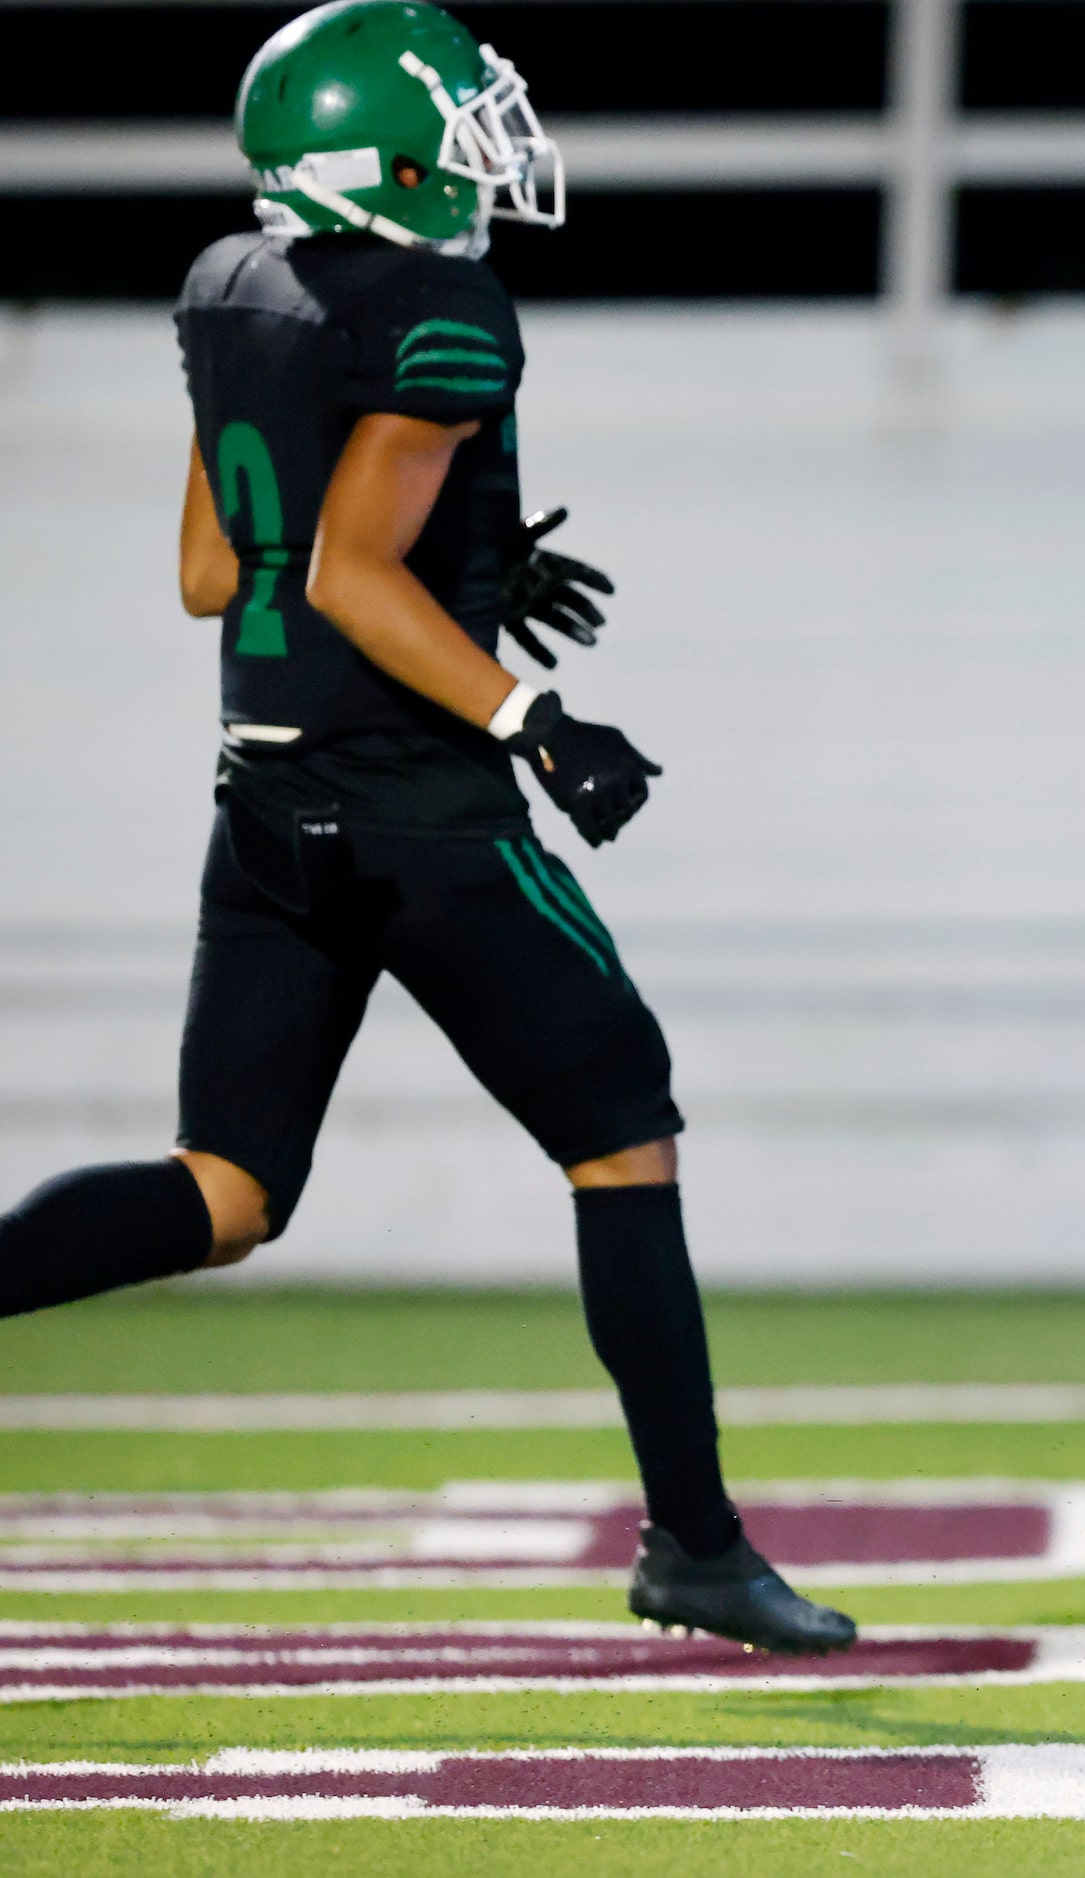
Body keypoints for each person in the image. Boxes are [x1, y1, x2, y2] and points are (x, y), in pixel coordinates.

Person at [0, 0, 852, 1655]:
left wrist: (477, 552)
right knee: (623, 1126)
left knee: (228, 1188)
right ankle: (692, 1541)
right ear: (369, 159)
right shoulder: (447, 305)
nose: (483, 156)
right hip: (414, 816)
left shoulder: (231, 282)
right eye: (453, 130)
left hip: (263, 797)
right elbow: (346, 571)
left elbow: (219, 569)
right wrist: (532, 713)